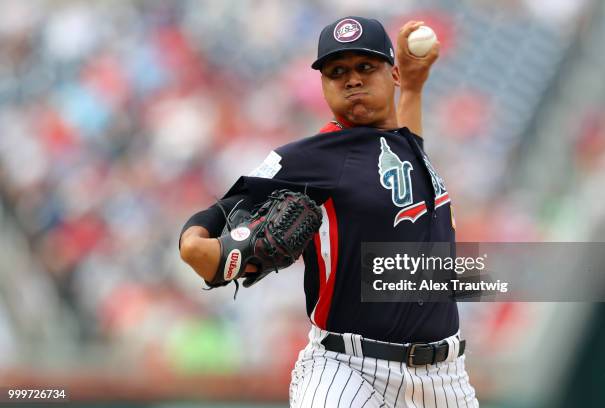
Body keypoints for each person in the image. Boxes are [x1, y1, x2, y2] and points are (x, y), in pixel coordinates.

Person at [179, 16, 478, 407]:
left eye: (365, 67)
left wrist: (416, 86)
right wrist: (195, 246)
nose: (352, 79)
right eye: (337, 72)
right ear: (323, 86)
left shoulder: (405, 144)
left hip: (445, 378)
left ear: (393, 75)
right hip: (349, 371)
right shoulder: (315, 157)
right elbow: (224, 208)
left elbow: (405, 140)